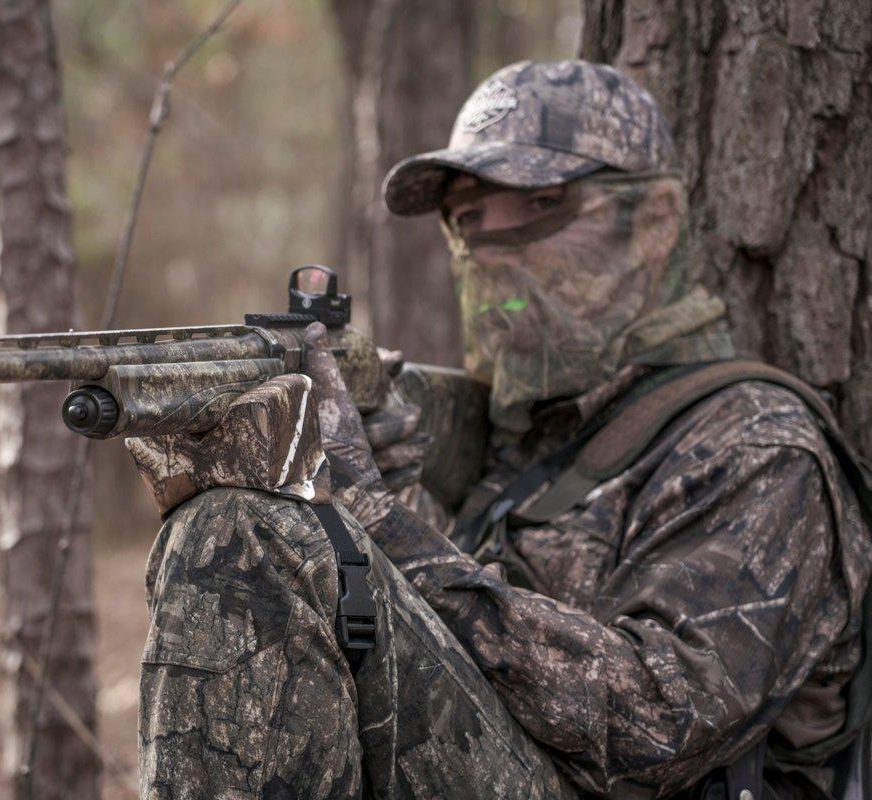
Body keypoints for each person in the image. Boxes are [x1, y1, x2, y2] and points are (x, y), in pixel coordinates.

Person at [125, 60, 872, 799]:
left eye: (540, 205)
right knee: (232, 522)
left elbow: (657, 733)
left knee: (246, 534)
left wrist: (373, 522)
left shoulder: (760, 446)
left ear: (651, 225)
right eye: (470, 218)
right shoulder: (525, 432)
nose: (489, 249)